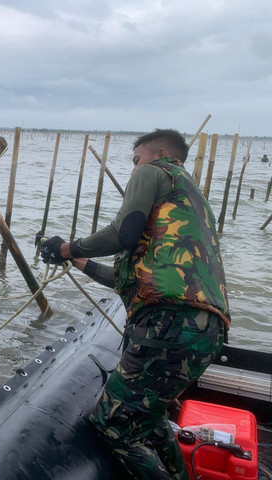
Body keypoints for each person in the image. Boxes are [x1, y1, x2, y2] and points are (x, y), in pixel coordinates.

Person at [41, 129, 230, 480]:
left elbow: (122, 234)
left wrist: (66, 248)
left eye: (135, 159)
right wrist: (78, 262)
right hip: (206, 331)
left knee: (113, 426)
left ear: (158, 153)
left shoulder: (155, 170)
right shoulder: (191, 206)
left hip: (167, 325)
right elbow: (133, 280)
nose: (133, 170)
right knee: (152, 419)